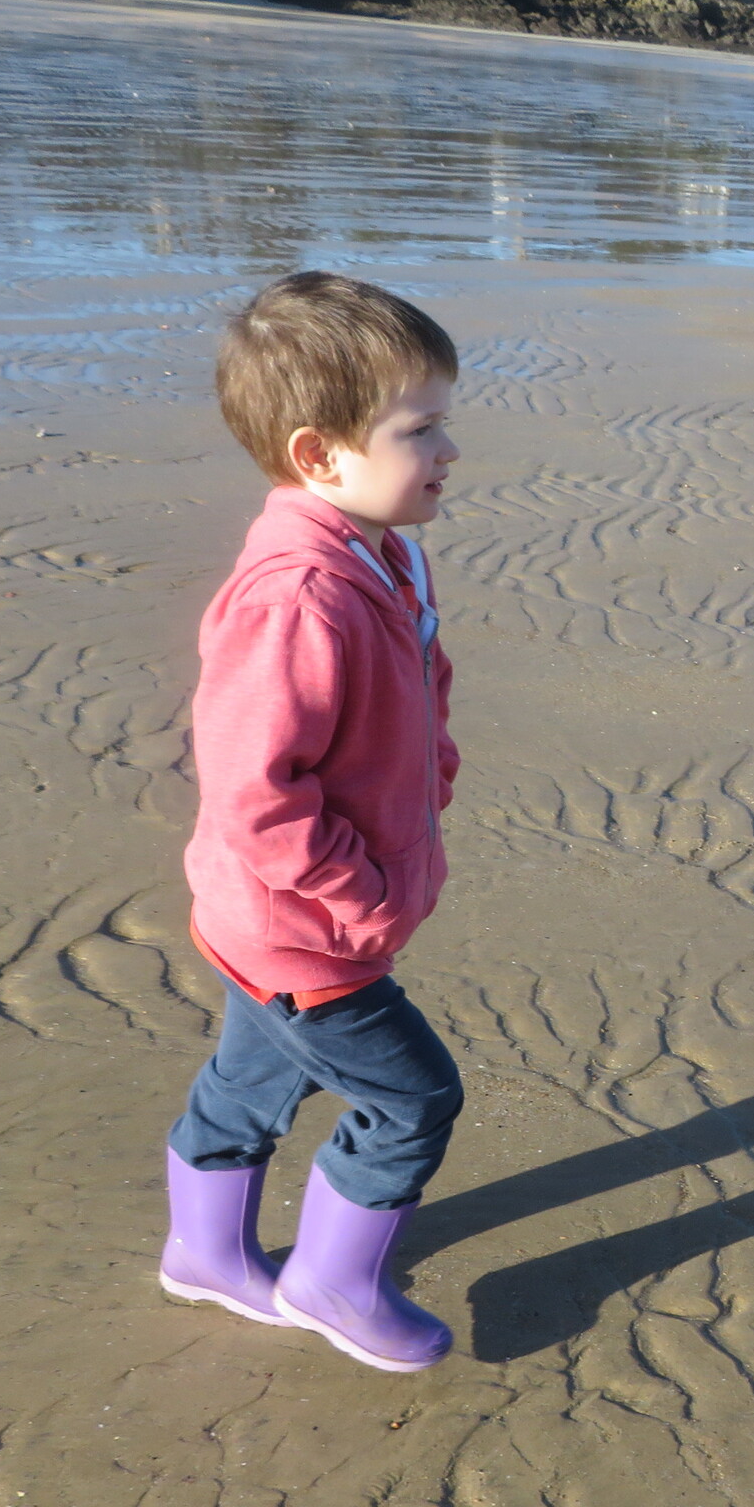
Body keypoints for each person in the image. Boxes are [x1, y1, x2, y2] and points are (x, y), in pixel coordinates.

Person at [159, 270, 468, 1373]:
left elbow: (418, 681)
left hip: (279, 923)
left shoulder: (382, 552)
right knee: (414, 1097)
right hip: (303, 927)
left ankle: (204, 1253)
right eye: (419, 430)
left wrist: (433, 771)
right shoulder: (298, 598)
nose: (448, 449)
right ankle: (336, 1283)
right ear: (319, 455)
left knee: (252, 1078)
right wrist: (360, 894)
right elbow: (255, 793)